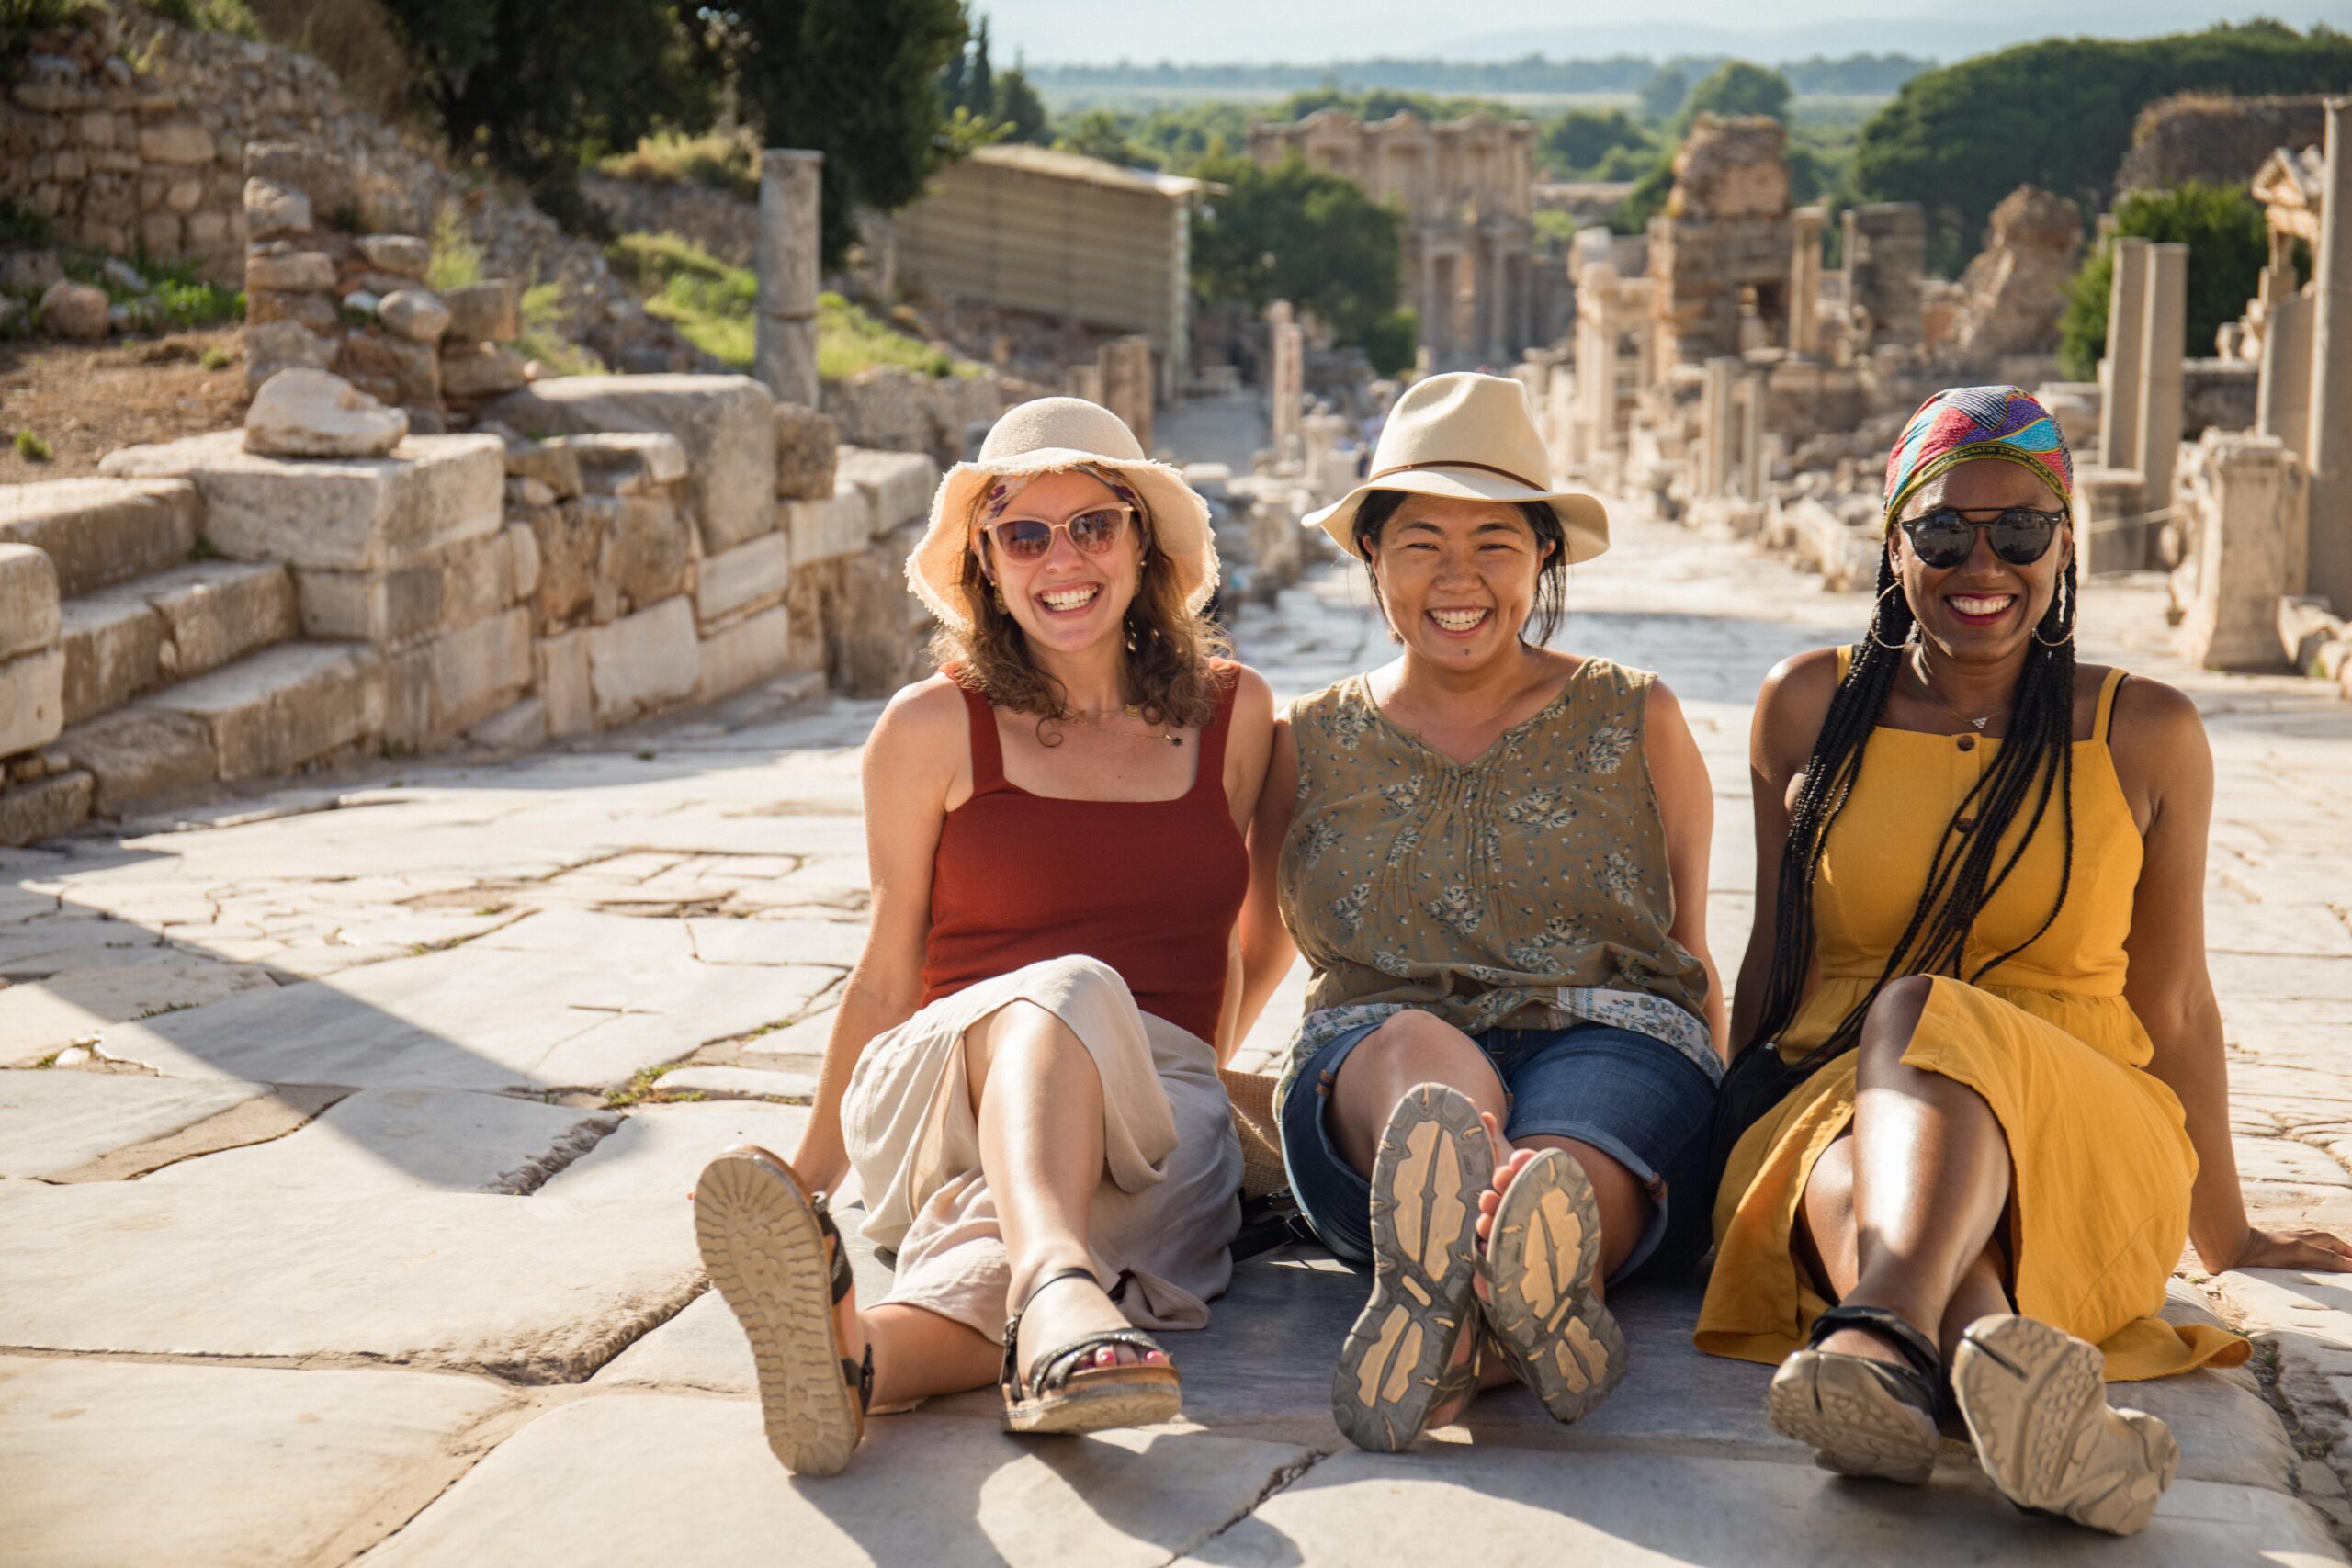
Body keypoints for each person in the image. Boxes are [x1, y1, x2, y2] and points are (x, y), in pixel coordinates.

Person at [1697, 386, 2352, 1536]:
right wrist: (1708, 1138)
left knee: (1920, 1012)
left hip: (2081, 1104)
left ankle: (1873, 1331)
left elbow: (2178, 1003)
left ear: (2064, 545)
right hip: (1839, 1089)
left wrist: (2227, 1235)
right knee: (1843, 1154)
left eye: (2018, 530)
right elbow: (1774, 953)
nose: (1979, 562)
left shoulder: (2143, 729)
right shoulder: (1807, 706)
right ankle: (1989, 1366)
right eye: (1943, 531)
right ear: (1894, 544)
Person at [693, 397, 1279, 1475]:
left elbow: (1259, 925)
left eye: (1092, 526)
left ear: (1140, 541)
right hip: (947, 1082)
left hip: (1150, 1101)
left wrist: (1191, 1070)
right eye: (1025, 534)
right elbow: (884, 975)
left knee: (1073, 1212)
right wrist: (807, 1181)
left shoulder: (1233, 712)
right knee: (1063, 991)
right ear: (986, 561)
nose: (1064, 557)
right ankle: (1056, 1278)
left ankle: (862, 1359)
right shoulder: (930, 725)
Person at [1243, 372, 1726, 1453]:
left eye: (1495, 543)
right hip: (1374, 1076)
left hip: (1615, 1038)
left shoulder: (1635, 711)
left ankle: (1474, 1304)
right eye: (1420, 541)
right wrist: (1172, 1118)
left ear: (1543, 554)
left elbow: (1689, 950)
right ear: (1371, 554)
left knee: (1558, 1160)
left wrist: (1728, 1149)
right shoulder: (1306, 740)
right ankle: (1505, 1303)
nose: (1457, 578)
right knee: (1414, 1044)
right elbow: (1251, 947)